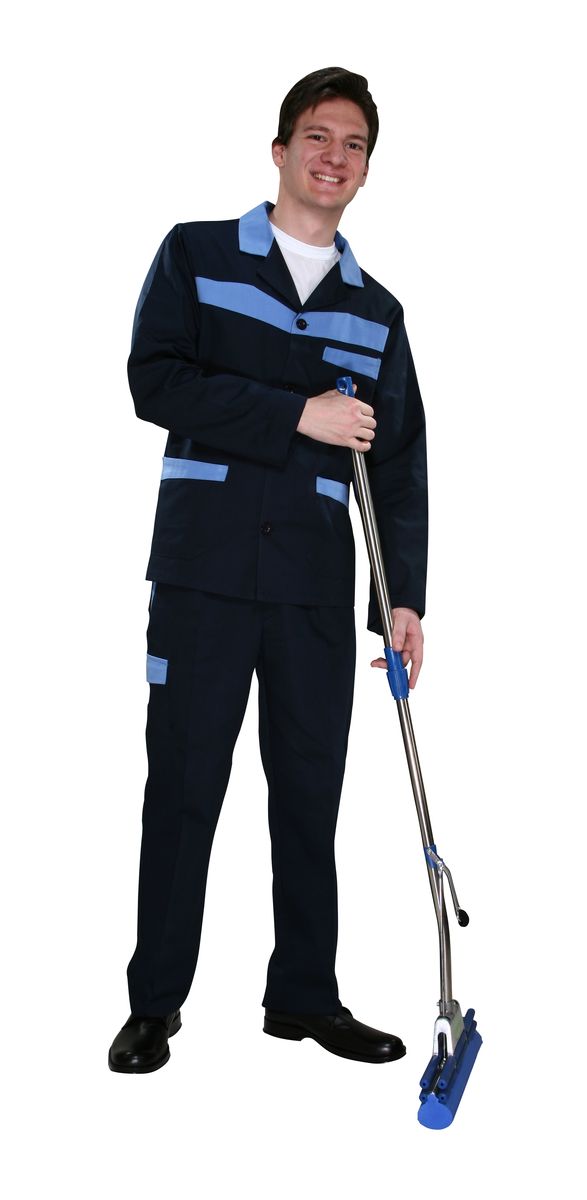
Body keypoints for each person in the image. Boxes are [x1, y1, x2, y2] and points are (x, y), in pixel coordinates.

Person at [108, 66, 427, 1074]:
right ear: (280, 149)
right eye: (317, 137)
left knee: (307, 795)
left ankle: (303, 997)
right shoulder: (197, 256)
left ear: (365, 170)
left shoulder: (375, 310)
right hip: (202, 576)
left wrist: (401, 600)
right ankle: (154, 1005)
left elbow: (396, 465)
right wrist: (296, 414)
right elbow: (154, 381)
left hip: (310, 590)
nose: (334, 157)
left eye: (353, 145)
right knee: (184, 789)